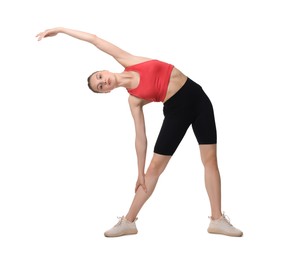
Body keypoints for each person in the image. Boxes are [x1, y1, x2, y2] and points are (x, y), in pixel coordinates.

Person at [36, 27, 243, 237]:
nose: (103, 81)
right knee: (153, 169)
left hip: (199, 98)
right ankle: (128, 221)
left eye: (100, 76)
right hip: (177, 111)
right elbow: (140, 137)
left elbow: (94, 39)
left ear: (104, 70)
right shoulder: (134, 100)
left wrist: (60, 29)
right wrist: (139, 171)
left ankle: (217, 220)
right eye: (100, 86)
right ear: (105, 92)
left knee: (210, 160)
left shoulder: (129, 60)